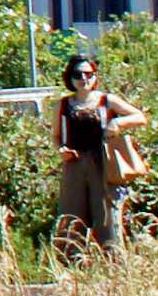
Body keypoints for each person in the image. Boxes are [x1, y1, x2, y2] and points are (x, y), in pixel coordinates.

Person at [50, 50, 147, 256]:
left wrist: (117, 122)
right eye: (78, 74)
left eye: (88, 74)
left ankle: (112, 260)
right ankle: (71, 261)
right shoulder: (63, 105)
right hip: (74, 164)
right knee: (71, 213)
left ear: (95, 76)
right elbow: (56, 136)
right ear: (70, 77)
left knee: (106, 215)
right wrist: (61, 150)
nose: (83, 79)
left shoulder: (106, 100)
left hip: (103, 162)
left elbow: (139, 116)